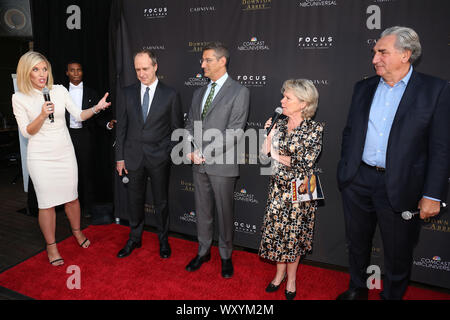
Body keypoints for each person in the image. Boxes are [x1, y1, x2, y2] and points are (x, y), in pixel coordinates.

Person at [337, 26, 449, 300]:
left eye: (382, 52)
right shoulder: (363, 87)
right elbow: (351, 131)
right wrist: (346, 172)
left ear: (406, 54)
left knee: (399, 252)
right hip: (358, 180)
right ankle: (356, 289)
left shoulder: (435, 90)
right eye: (374, 52)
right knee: (357, 244)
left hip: (402, 185)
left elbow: (441, 147)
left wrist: (432, 194)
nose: (375, 58)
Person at [12, 51, 111, 266]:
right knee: (46, 204)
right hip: (40, 158)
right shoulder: (19, 98)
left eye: (44, 69)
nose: (42, 74)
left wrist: (96, 108)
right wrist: (40, 114)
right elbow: (27, 132)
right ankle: (52, 246)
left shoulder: (58, 90)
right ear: (26, 73)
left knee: (72, 198)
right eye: (36, 70)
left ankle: (76, 233)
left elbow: (78, 115)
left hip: (64, 153)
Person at [184, 42, 250, 278]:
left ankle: (225, 255)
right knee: (202, 212)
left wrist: (205, 152)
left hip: (222, 163)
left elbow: (235, 130)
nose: (202, 64)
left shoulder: (239, 91)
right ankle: (203, 251)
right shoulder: (198, 92)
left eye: (207, 60)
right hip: (198, 162)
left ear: (222, 61)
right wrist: (190, 148)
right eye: (202, 60)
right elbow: (190, 124)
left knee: (224, 212)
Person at [259, 79, 324, 300]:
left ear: (304, 103)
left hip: (302, 188)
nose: (282, 101)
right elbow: (263, 153)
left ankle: (292, 279)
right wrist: (268, 133)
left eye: (288, 98)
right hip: (278, 187)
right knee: (278, 234)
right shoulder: (278, 123)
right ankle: (278, 276)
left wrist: (274, 154)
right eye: (283, 96)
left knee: (294, 236)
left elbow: (303, 163)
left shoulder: (314, 129)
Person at [115, 50, 183, 259]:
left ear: (155, 66)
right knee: (134, 201)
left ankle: (163, 240)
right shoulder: (126, 93)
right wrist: (120, 157)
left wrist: (166, 153)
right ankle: (134, 238)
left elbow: (176, 130)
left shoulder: (170, 95)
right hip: (133, 157)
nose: (141, 73)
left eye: (145, 68)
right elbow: (121, 129)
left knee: (161, 202)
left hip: (159, 158)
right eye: (137, 69)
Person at [65, 60, 116, 218]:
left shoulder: (91, 93)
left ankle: (86, 208)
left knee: (86, 173)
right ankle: (69, 208)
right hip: (65, 137)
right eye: (72, 70)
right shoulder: (60, 93)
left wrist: (107, 124)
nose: (75, 73)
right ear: (67, 73)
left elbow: (97, 116)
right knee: (67, 174)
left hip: (85, 137)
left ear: (82, 72)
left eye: (78, 70)